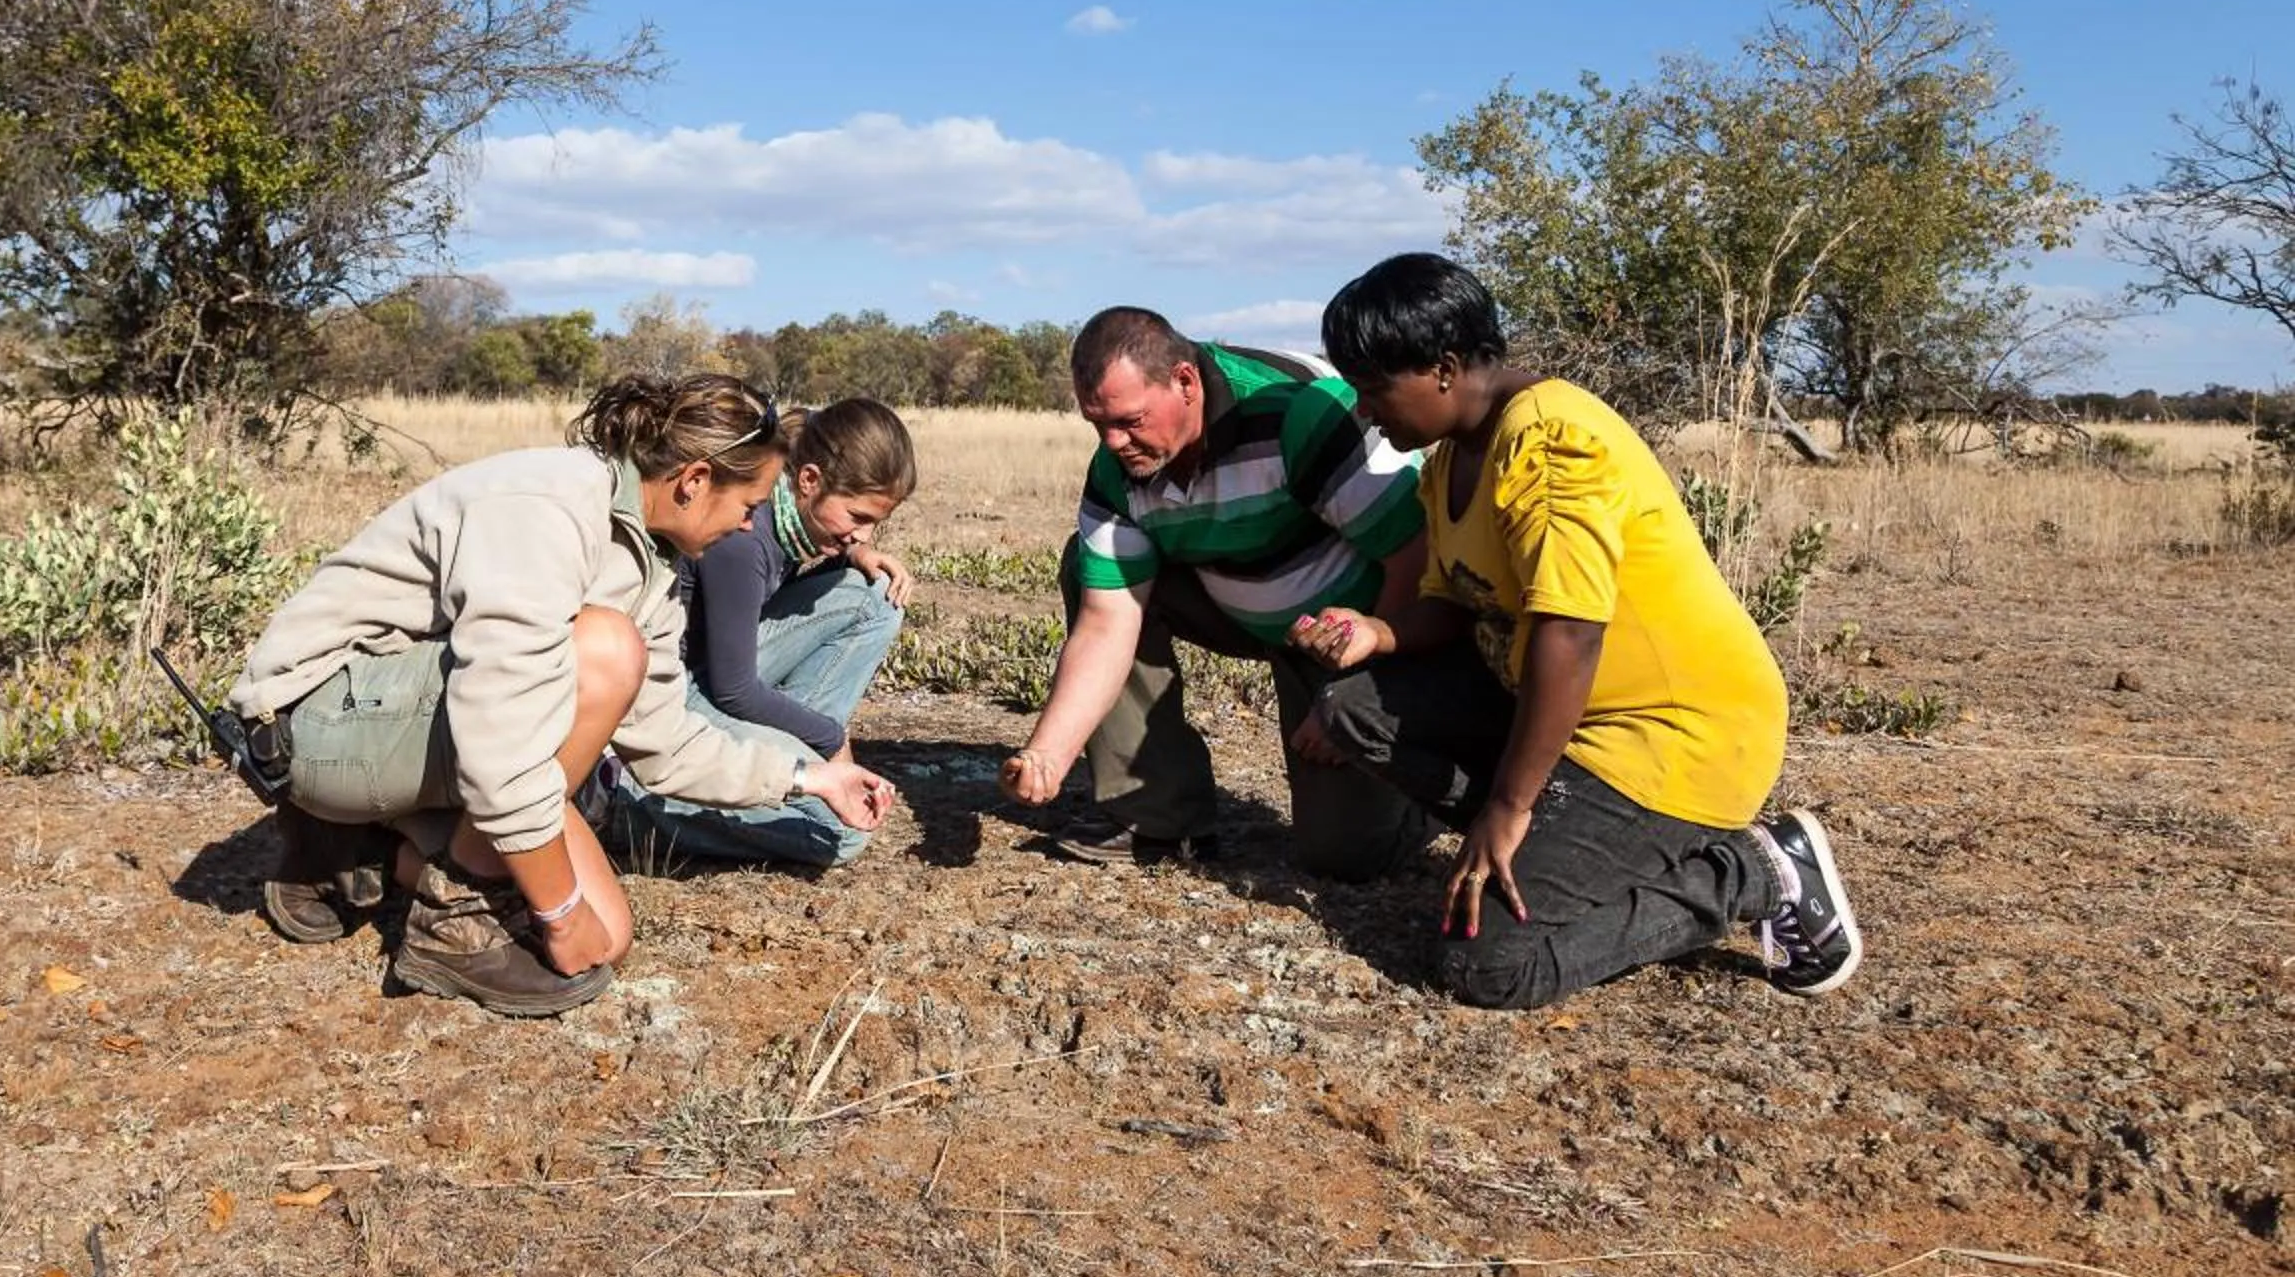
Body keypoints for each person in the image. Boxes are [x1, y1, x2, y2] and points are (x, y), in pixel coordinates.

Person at [224, 374, 899, 1018]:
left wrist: (811, 779)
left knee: (607, 937)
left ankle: (348, 847)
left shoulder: (652, 563)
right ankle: (455, 915)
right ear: (694, 482)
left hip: (400, 728)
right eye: (748, 507)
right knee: (604, 651)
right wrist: (553, 911)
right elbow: (500, 739)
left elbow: (666, 744)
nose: (749, 528)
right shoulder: (552, 507)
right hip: (311, 722)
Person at [1289, 252, 1862, 1009]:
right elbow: (1452, 606)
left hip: (1673, 734)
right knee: (1353, 705)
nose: (1365, 411)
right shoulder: (1450, 459)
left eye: (1372, 389)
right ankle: (1572, 841)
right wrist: (1379, 634)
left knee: (1489, 966)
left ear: (1445, 368)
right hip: (1568, 718)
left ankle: (1758, 869)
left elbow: (1572, 634)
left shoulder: (1553, 444)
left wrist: (1509, 807)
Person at [995, 306, 1433, 871]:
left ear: (1185, 381)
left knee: (1347, 857)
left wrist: (1358, 693)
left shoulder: (1295, 413)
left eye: (1129, 421)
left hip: (1349, 626)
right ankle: (1155, 816)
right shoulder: (1115, 472)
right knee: (1088, 565)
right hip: (1230, 597)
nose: (1112, 443)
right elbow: (1108, 623)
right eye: (1096, 423)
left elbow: (1416, 557)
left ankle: (1433, 785)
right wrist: (1048, 755)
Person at [604, 398, 919, 867]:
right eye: (857, 518)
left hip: (714, 674)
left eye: (875, 523)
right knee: (836, 832)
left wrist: (849, 555)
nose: (864, 535)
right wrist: (831, 741)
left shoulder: (791, 513)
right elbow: (733, 690)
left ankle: (795, 764)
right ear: (808, 480)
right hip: (679, 692)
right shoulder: (745, 535)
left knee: (874, 596)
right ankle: (625, 806)